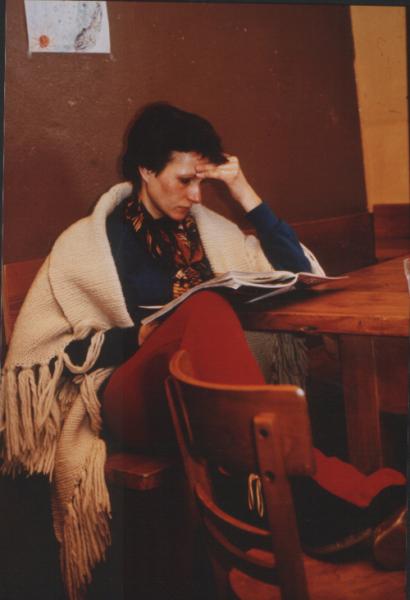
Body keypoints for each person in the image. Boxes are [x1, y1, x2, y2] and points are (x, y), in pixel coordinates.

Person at [0, 103, 405, 600]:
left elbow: (302, 273)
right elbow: (46, 352)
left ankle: (348, 496)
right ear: (146, 170)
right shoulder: (92, 242)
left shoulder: (209, 229)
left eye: (202, 182)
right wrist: (138, 336)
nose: (195, 196)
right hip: (126, 396)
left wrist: (243, 192)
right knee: (207, 306)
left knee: (213, 312)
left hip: (202, 397)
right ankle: (322, 498)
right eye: (184, 180)